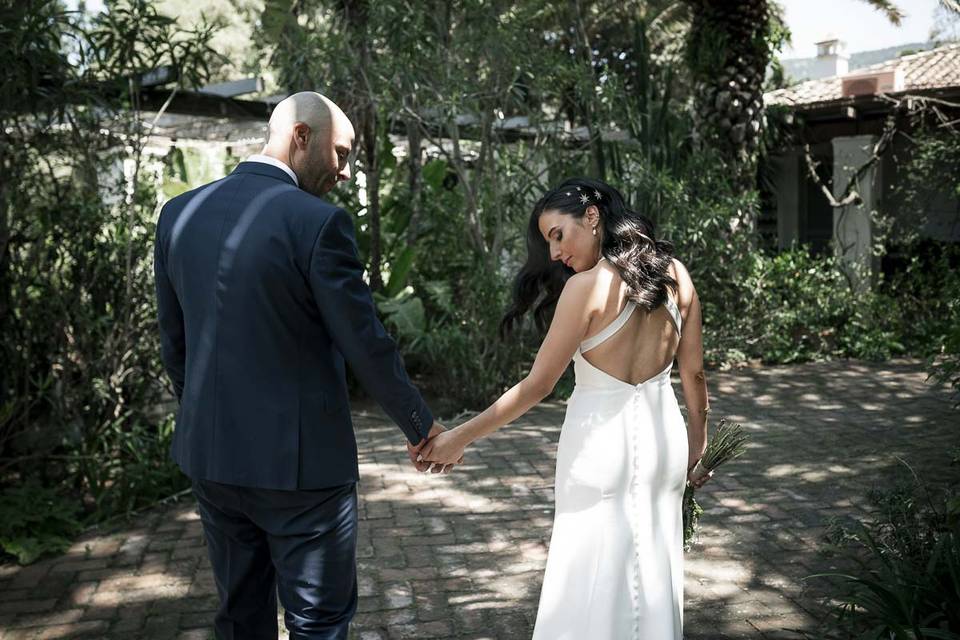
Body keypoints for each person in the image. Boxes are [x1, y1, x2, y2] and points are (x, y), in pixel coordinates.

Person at [153, 91, 451, 639]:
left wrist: (207, 415)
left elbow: (176, 345)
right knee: (318, 621)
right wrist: (419, 424)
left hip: (211, 457)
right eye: (340, 153)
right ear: (301, 136)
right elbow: (364, 340)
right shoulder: (318, 224)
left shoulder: (178, 213)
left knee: (241, 616)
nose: (342, 171)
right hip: (303, 470)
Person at [418, 177, 712, 639]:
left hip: (599, 446)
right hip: (664, 444)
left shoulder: (585, 288)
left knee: (588, 574)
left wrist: (458, 437)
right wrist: (698, 449)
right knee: (654, 568)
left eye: (557, 234)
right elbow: (693, 376)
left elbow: (537, 386)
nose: (554, 253)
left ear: (592, 217)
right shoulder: (677, 275)